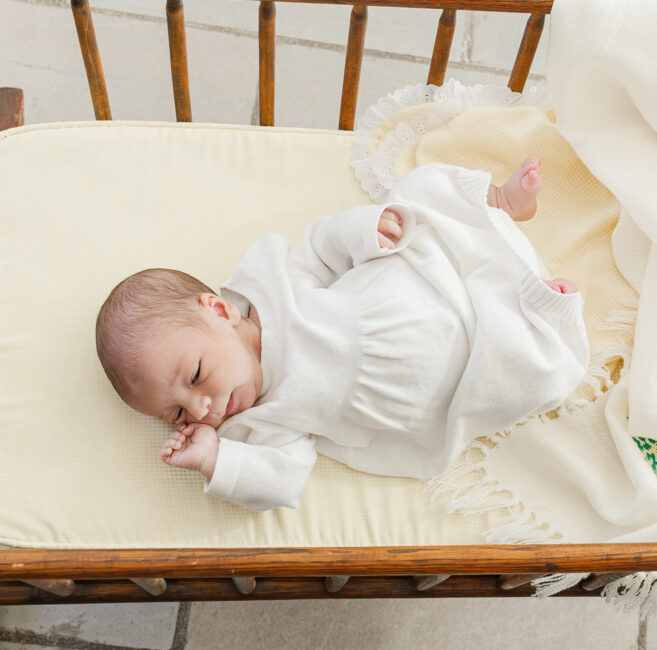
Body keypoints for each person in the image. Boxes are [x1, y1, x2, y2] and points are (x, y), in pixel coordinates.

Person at [96, 158, 589, 511]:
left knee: (418, 194)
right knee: (527, 376)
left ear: (221, 311)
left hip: (423, 287)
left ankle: (498, 207)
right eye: (178, 412)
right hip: (449, 387)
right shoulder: (263, 422)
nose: (202, 407)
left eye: (196, 375)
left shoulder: (272, 285)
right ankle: (539, 311)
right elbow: (281, 482)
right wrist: (214, 459)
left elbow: (321, 249)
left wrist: (365, 231)